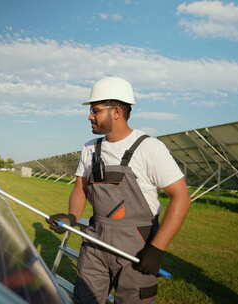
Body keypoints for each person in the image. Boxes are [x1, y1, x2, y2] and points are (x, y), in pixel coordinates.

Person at [47, 77, 191, 304]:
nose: (89, 116)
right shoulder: (89, 149)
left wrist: (156, 249)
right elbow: (80, 189)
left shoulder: (149, 148)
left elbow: (181, 196)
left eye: (95, 110)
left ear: (116, 112)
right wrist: (72, 216)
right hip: (95, 241)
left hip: (137, 248)